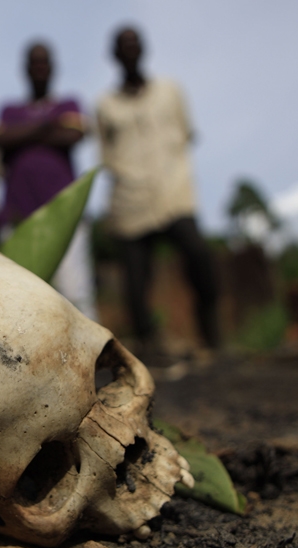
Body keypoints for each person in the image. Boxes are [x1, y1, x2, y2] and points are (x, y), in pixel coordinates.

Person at [96, 26, 221, 353]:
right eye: (123, 45)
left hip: (174, 194)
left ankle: (212, 335)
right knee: (135, 282)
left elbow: (186, 133)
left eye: (135, 43)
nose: (130, 50)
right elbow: (105, 154)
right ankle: (150, 348)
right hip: (131, 202)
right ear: (114, 54)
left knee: (198, 256)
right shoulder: (105, 105)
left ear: (143, 49)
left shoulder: (170, 91)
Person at [0, 42, 97, 320]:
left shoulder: (69, 103)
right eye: (34, 62)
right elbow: (0, 138)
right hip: (18, 215)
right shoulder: (8, 109)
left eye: (44, 61)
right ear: (25, 69)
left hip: (65, 214)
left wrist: (23, 136)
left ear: (52, 68)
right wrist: (47, 127)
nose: (39, 67)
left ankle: (93, 362)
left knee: (75, 292)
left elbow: (74, 135)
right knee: (17, 297)